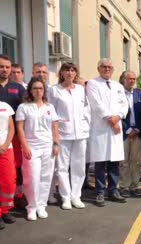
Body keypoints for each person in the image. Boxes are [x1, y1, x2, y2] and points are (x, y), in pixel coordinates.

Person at [47, 62, 90, 210]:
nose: (70, 73)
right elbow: (51, 112)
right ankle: (65, 197)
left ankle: (76, 196)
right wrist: (55, 134)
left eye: (73, 70)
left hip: (80, 133)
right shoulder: (54, 90)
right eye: (67, 70)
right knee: (62, 167)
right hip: (63, 133)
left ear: (75, 73)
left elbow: (86, 110)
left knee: (79, 166)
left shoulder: (80, 89)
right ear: (62, 73)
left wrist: (86, 126)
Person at [86, 59, 129, 207]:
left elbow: (124, 104)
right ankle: (100, 192)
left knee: (114, 162)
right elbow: (96, 104)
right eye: (104, 67)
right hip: (101, 128)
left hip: (115, 127)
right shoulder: (92, 83)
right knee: (100, 162)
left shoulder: (118, 86)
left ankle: (113, 190)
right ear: (98, 68)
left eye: (110, 67)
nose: (107, 69)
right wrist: (111, 120)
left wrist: (118, 117)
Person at [16, 77, 59, 220]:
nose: (38, 91)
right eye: (35, 88)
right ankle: (31, 207)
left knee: (46, 177)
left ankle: (41, 205)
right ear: (30, 90)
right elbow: (20, 129)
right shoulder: (24, 107)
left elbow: (54, 127)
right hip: (32, 147)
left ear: (44, 90)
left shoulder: (49, 107)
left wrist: (56, 143)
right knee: (32, 178)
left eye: (40, 88)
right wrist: (25, 146)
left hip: (48, 146)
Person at [0, 55, 26, 209]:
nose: (5, 70)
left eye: (7, 67)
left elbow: (27, 109)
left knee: (17, 166)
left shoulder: (18, 88)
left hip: (14, 135)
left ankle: (18, 195)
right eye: (1, 66)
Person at [0, 76, 17, 230]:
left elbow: (11, 128)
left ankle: (6, 209)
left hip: (6, 149)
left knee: (8, 181)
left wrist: (6, 144)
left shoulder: (5, 106)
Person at [118, 71, 141, 198]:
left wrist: (137, 129)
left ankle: (134, 186)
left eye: (134, 79)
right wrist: (128, 130)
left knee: (136, 161)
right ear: (123, 79)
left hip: (138, 133)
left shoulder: (140, 94)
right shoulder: (118, 94)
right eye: (129, 79)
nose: (132, 81)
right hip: (124, 133)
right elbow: (117, 113)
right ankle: (124, 186)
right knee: (124, 162)